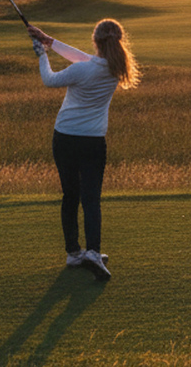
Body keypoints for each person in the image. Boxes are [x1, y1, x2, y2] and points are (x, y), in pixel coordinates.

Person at [27, 19, 141, 279]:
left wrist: (42, 54)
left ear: (95, 40)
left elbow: (50, 80)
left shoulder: (82, 71)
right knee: (91, 198)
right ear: (118, 41)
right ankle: (92, 251)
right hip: (93, 141)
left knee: (70, 195)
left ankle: (73, 253)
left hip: (65, 137)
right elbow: (84, 58)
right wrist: (49, 40)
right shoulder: (116, 68)